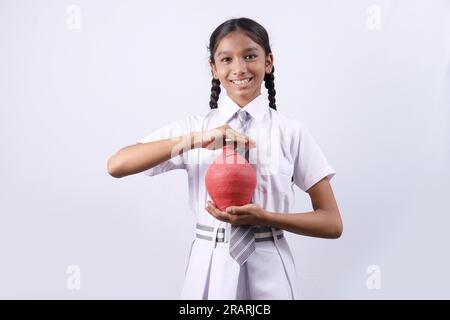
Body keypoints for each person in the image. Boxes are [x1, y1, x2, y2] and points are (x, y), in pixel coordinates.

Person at [107, 17, 343, 300]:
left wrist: (265, 217)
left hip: (270, 266)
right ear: (213, 68)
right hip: (209, 266)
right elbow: (117, 165)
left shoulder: (291, 133)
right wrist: (197, 139)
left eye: (250, 56)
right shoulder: (194, 129)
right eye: (227, 59)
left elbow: (331, 223)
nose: (239, 68)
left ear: (268, 62)